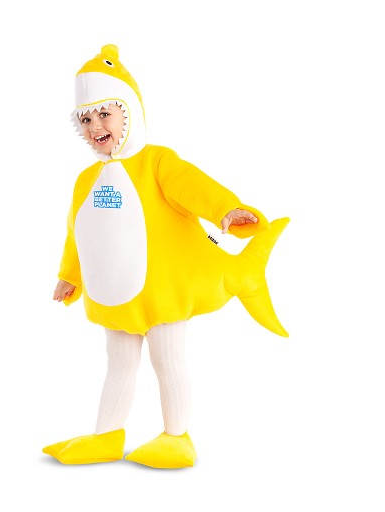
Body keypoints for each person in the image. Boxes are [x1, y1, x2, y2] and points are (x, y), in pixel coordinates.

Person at [42, 44, 288, 469]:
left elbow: (191, 185)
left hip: (163, 293)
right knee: (118, 363)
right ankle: (106, 435)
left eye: (104, 113)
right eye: (85, 118)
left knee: (167, 361)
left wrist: (225, 209)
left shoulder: (157, 162)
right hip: (116, 299)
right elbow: (78, 231)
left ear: (129, 111)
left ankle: (177, 437)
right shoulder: (85, 180)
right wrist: (71, 275)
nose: (94, 126)